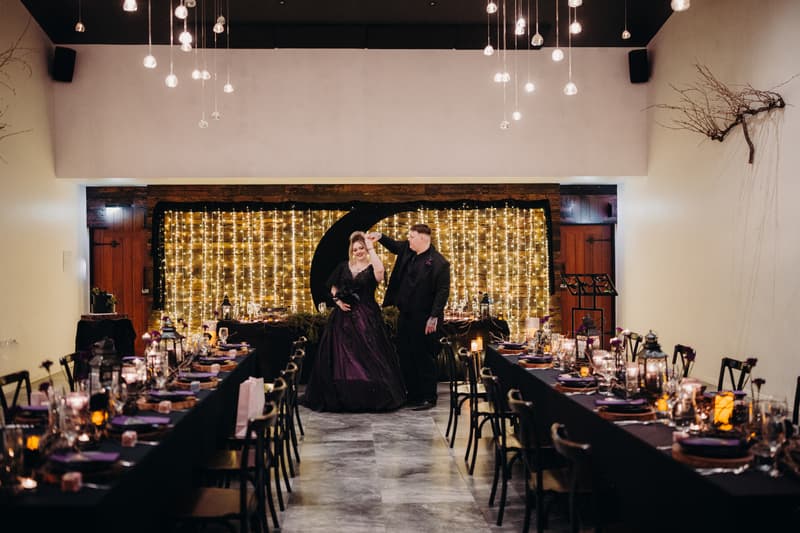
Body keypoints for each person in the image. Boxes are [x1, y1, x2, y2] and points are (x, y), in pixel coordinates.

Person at [303, 231, 406, 411]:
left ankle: (369, 394)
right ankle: (345, 393)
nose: (358, 251)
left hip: (367, 317)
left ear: (366, 249)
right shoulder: (344, 266)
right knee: (343, 357)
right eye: (355, 249)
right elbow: (334, 289)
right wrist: (338, 302)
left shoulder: (372, 265)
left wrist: (372, 247)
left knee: (370, 355)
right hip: (342, 319)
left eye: (362, 248)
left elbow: (380, 274)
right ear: (351, 250)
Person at [367, 224, 450, 410]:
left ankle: (428, 397)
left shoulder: (439, 263)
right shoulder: (408, 250)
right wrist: (380, 236)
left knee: (424, 356)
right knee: (405, 355)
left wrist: (434, 316)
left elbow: (442, 292)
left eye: (412, 237)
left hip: (425, 317)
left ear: (423, 239)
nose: (408, 239)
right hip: (406, 314)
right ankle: (412, 394)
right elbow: (395, 246)